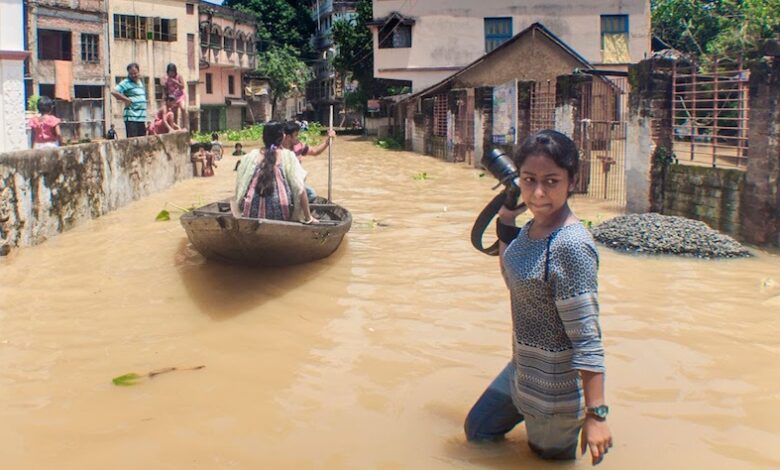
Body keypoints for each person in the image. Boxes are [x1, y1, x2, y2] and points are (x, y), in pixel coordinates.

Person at [464, 130, 612, 465]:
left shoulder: (570, 245)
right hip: (521, 370)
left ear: (572, 181)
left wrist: (597, 415)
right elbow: (511, 274)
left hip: (553, 392)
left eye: (551, 181)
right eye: (529, 180)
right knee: (478, 430)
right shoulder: (531, 230)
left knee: (545, 463)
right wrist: (505, 218)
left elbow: (588, 339)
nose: (538, 192)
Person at [233, 122, 317, 223]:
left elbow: (241, 183)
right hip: (280, 213)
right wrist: (308, 217)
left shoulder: (251, 156)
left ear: (263, 137)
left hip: (250, 212)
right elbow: (299, 188)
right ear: (282, 136)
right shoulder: (288, 156)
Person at [282, 121, 336, 202]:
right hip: (282, 182)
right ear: (288, 137)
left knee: (311, 194)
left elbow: (315, 152)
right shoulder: (278, 150)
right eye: (296, 135)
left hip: (296, 182)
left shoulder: (299, 146)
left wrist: (327, 142)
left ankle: (298, 207)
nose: (298, 137)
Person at [112, 63, 147, 138]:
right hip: (132, 117)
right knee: (133, 142)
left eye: (135, 73)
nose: (133, 75)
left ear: (138, 72)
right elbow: (114, 92)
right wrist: (126, 99)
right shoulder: (126, 82)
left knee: (142, 141)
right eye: (131, 74)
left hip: (141, 117)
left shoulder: (140, 82)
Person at [163, 63, 187, 129]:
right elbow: (165, 89)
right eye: (170, 72)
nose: (171, 74)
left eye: (172, 72)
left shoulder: (179, 76)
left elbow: (183, 86)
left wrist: (175, 82)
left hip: (180, 96)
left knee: (183, 108)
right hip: (172, 98)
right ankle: (176, 127)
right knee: (174, 114)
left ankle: (184, 125)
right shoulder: (167, 79)